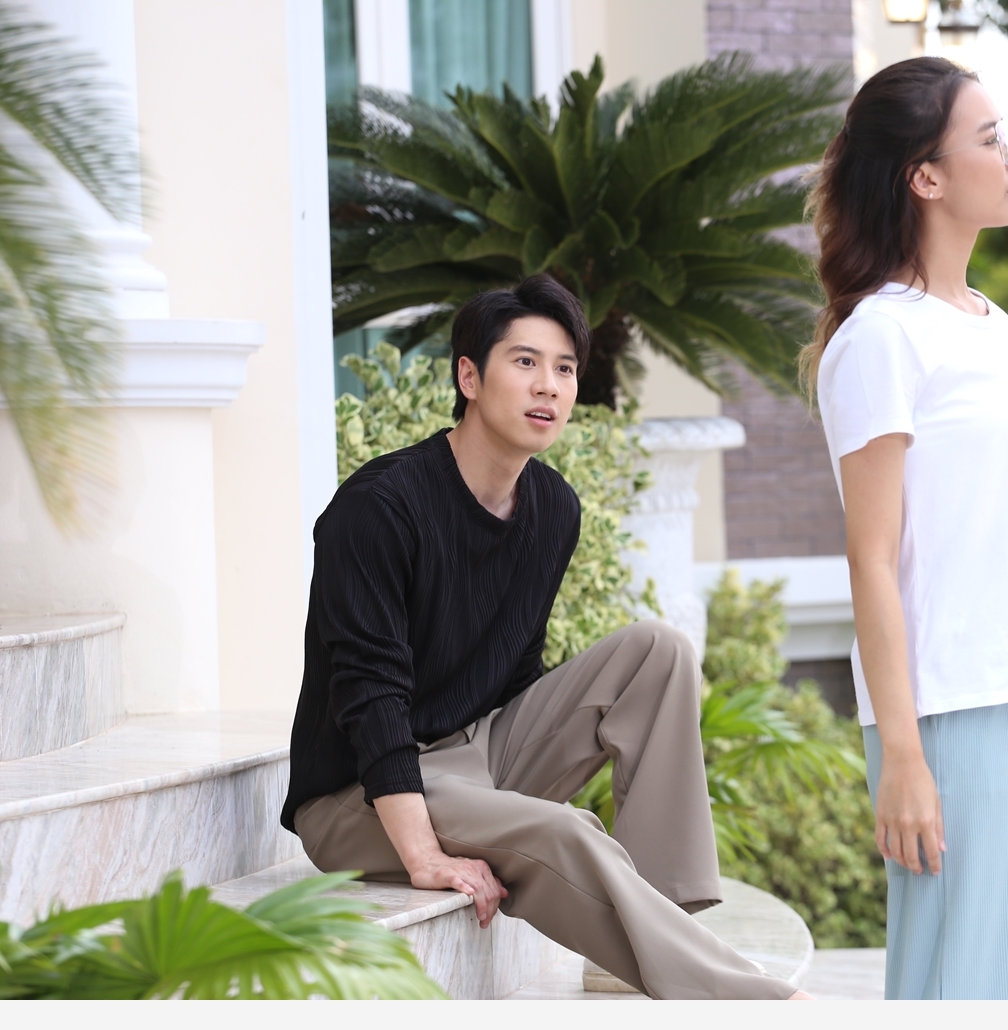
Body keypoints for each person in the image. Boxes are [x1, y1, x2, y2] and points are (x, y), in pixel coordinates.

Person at [282, 274, 803, 1000]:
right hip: (359, 798)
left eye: (564, 368)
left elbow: (517, 670)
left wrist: (511, 789)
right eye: (524, 362)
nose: (548, 386)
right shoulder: (379, 508)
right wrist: (425, 852)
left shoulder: (553, 507)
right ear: (469, 377)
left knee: (658, 653)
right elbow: (370, 697)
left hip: (474, 758)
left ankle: (660, 924)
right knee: (570, 831)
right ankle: (758, 1003)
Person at [802, 58, 1008, 1000]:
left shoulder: (992, 326)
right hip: (948, 712)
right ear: (925, 177)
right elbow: (871, 560)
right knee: (969, 986)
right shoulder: (879, 338)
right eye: (990, 139)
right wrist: (901, 755)